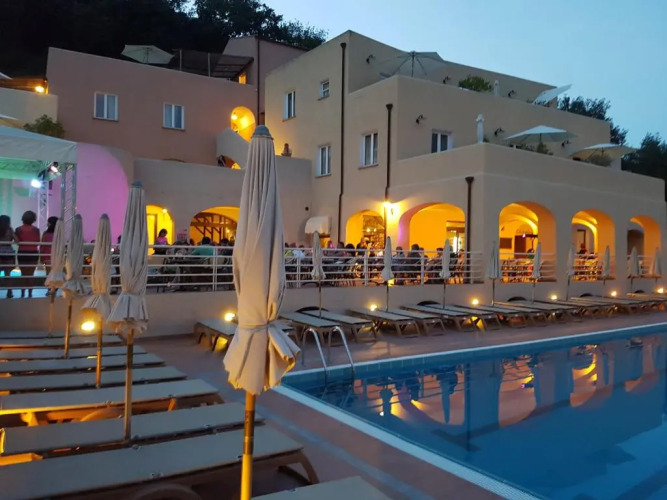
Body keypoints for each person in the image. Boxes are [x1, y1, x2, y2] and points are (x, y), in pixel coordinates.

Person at [15, 211, 40, 298]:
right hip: (33, 253)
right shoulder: (36, 230)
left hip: (22, 253)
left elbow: (17, 242)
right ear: (33, 219)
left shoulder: (18, 229)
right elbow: (38, 241)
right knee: (31, 274)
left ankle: (22, 294)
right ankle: (30, 294)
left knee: (23, 274)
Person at [0, 215, 16, 298]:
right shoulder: (10, 230)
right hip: (8, 253)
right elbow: (17, 240)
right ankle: (9, 291)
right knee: (8, 274)